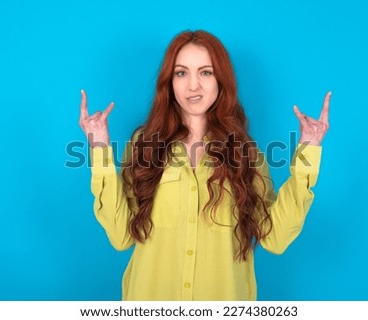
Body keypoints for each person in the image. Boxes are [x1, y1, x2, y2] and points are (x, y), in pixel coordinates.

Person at [79, 30, 330, 300]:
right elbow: (121, 236)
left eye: (206, 72)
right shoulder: (144, 146)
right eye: (181, 73)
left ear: (221, 80)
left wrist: (309, 148)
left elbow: (275, 238)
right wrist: (99, 147)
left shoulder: (247, 155)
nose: (193, 86)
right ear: (170, 82)